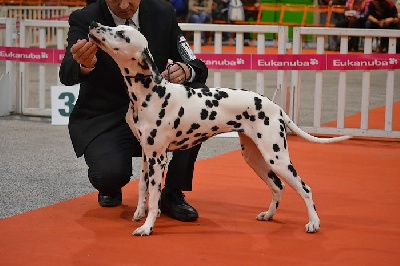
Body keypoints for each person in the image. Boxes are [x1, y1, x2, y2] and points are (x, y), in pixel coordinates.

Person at [59, 0, 209, 222]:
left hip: (154, 113)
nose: (124, 4)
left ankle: (173, 192)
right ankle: (110, 186)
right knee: (108, 174)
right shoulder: (85, 18)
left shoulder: (163, 12)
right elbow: (66, 72)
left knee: (197, 94)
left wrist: (186, 70)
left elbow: (194, 63)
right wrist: (84, 64)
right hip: (108, 115)